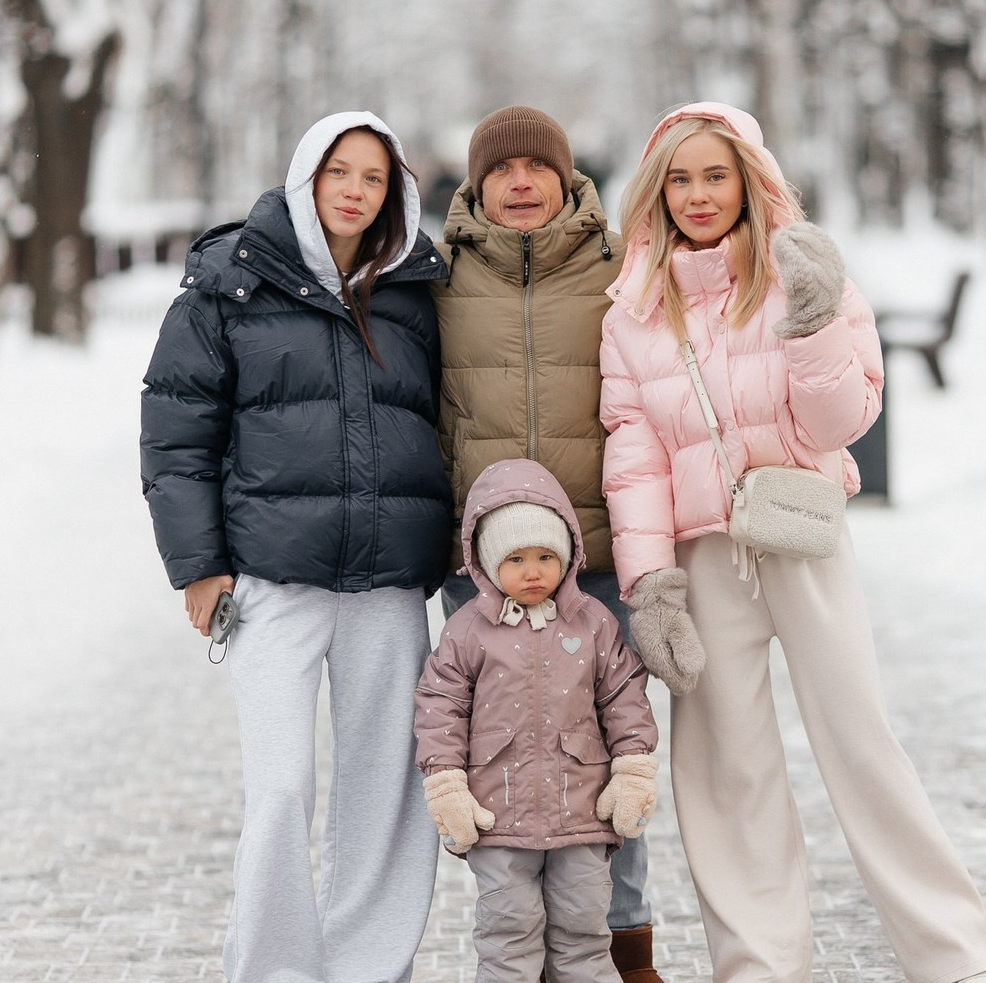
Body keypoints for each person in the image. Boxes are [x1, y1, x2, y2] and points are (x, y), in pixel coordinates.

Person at [598, 101, 986, 983]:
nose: (698, 195)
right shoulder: (630, 307)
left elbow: (845, 419)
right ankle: (758, 966)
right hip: (703, 557)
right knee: (724, 767)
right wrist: (652, 585)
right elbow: (633, 456)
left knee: (860, 741)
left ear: (749, 178)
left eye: (715, 174)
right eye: (679, 177)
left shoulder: (804, 272)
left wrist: (814, 324)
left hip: (802, 532)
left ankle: (952, 959)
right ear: (656, 189)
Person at [140, 111, 453, 983]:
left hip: (390, 582)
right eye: (338, 173)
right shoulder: (231, 282)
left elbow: (451, 419)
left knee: (385, 793)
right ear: (304, 178)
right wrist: (198, 565)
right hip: (274, 579)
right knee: (280, 788)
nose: (355, 191)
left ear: (396, 192)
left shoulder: (416, 289)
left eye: (374, 178)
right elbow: (175, 429)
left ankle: (366, 967)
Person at [432, 106, 668, 983]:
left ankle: (624, 946)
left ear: (569, 179)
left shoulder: (621, 268)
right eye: (503, 170)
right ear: (478, 183)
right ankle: (515, 952)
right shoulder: (440, 276)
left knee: (606, 757)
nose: (521, 183)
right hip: (484, 568)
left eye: (539, 167)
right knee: (498, 760)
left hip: (596, 559)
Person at [414, 458, 660, 983]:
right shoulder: (467, 632)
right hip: (499, 816)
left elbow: (623, 695)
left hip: (582, 815)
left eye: (547, 556)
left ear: (568, 556)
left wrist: (633, 768)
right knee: (507, 936)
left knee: (585, 934)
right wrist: (446, 784)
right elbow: (441, 705)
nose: (533, 571)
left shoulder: (592, 623)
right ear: (485, 562)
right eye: (516, 558)